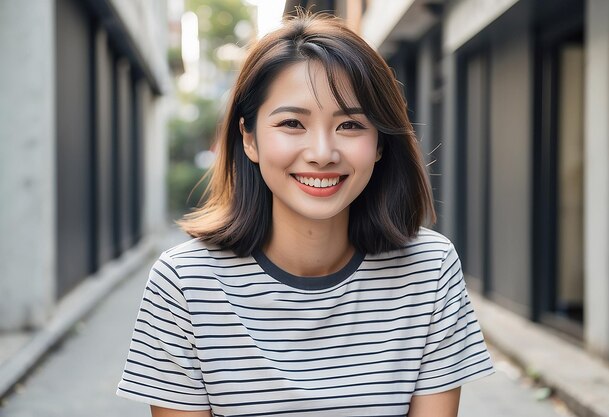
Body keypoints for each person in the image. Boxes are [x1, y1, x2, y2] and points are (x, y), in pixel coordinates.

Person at [116, 12, 493, 417]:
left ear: (380, 143)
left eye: (350, 125)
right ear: (249, 138)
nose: (321, 153)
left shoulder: (429, 270)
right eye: (293, 123)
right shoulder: (184, 284)